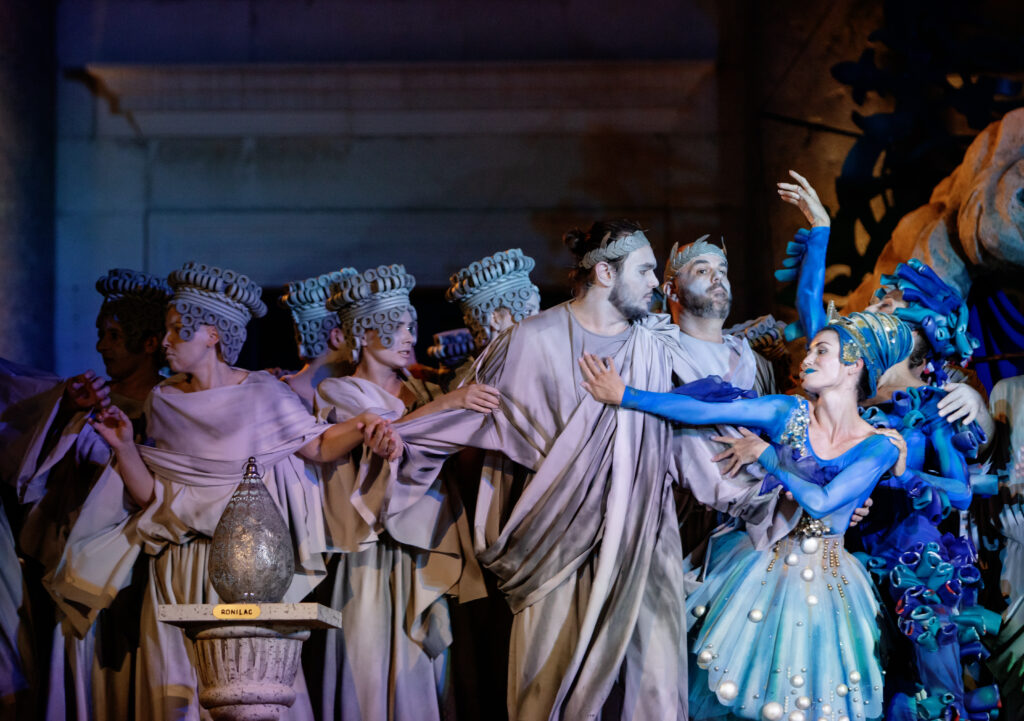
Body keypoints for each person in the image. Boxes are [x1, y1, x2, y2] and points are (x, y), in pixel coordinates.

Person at [351, 220, 798, 720]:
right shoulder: (530, 341)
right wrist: (402, 438)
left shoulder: (656, 346)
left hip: (643, 538)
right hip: (556, 541)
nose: (655, 283)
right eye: (645, 271)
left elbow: (706, 423)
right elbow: (465, 413)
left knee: (652, 687)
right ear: (605, 274)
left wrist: (786, 479)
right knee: (549, 689)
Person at [53, 261, 396, 721]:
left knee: (254, 690)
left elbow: (317, 446)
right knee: (176, 695)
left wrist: (366, 423)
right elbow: (153, 500)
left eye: (177, 330)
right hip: (176, 569)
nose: (166, 341)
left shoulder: (263, 393)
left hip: (244, 568)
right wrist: (124, 447)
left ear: (212, 335)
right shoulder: (163, 400)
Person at [579, 309, 914, 721]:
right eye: (809, 349)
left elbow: (823, 501)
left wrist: (768, 455)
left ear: (853, 365)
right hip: (763, 564)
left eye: (821, 351)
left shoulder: (880, 446)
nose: (807, 359)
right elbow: (704, 411)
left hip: (826, 581)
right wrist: (626, 395)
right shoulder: (788, 411)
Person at [312, 263, 497, 721]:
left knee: (425, 677)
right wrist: (450, 404)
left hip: (426, 548)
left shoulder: (425, 390)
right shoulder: (339, 391)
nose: (409, 336)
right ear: (363, 333)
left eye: (411, 325)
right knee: (368, 669)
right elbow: (384, 429)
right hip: (370, 553)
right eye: (396, 327)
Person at [13, 268, 171, 721]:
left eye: (114, 335)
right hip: (79, 571)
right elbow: (39, 483)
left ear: (149, 343)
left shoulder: (172, 405)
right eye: (101, 334)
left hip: (142, 574)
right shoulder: (89, 405)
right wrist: (66, 415)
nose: (101, 346)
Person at [278, 268, 358, 410]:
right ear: (337, 337)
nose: (364, 341)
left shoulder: (352, 396)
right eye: (359, 332)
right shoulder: (279, 399)